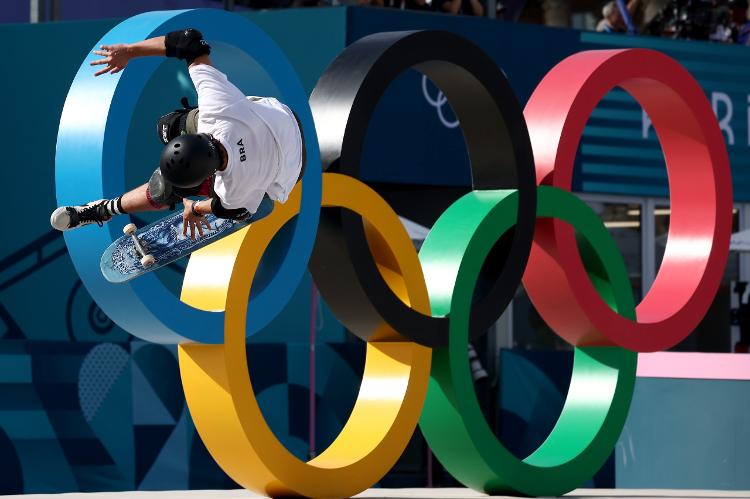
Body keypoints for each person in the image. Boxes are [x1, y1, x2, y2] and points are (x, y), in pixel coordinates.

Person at [51, 28, 305, 240]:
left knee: (167, 189)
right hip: (280, 118)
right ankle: (165, 189)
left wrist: (194, 206)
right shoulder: (216, 108)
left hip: (290, 170)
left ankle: (103, 210)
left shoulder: (235, 187)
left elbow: (228, 210)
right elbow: (190, 41)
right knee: (169, 125)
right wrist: (129, 51)